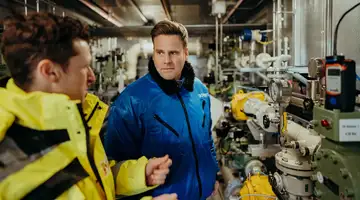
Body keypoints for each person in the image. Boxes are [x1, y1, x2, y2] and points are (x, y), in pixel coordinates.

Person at [0, 12, 177, 200]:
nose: (92, 77)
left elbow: (90, 182)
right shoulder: (10, 152)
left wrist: (139, 175)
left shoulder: (72, 121)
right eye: (84, 67)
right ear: (49, 71)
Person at [104, 20, 219, 200]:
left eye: (173, 53)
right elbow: (114, 167)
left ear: (186, 53)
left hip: (204, 195)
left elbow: (206, 141)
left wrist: (213, 175)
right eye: (160, 53)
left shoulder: (200, 91)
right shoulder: (131, 100)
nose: (166, 61)